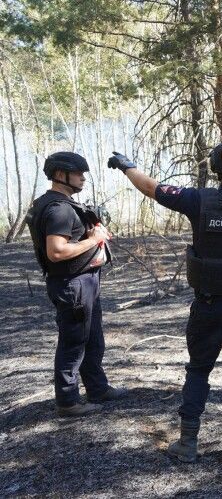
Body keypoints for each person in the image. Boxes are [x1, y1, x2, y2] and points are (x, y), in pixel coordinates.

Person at [108, 141, 222, 462]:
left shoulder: (197, 199)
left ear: (215, 168)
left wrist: (127, 166)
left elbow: (152, 188)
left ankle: (188, 444)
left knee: (198, 371)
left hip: (208, 307)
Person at [26, 152, 126, 417]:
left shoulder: (59, 203)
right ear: (61, 175)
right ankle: (68, 401)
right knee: (73, 343)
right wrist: (94, 240)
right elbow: (56, 252)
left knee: (93, 339)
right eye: (79, 174)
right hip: (73, 286)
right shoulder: (58, 208)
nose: (83, 178)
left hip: (84, 282)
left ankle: (97, 388)